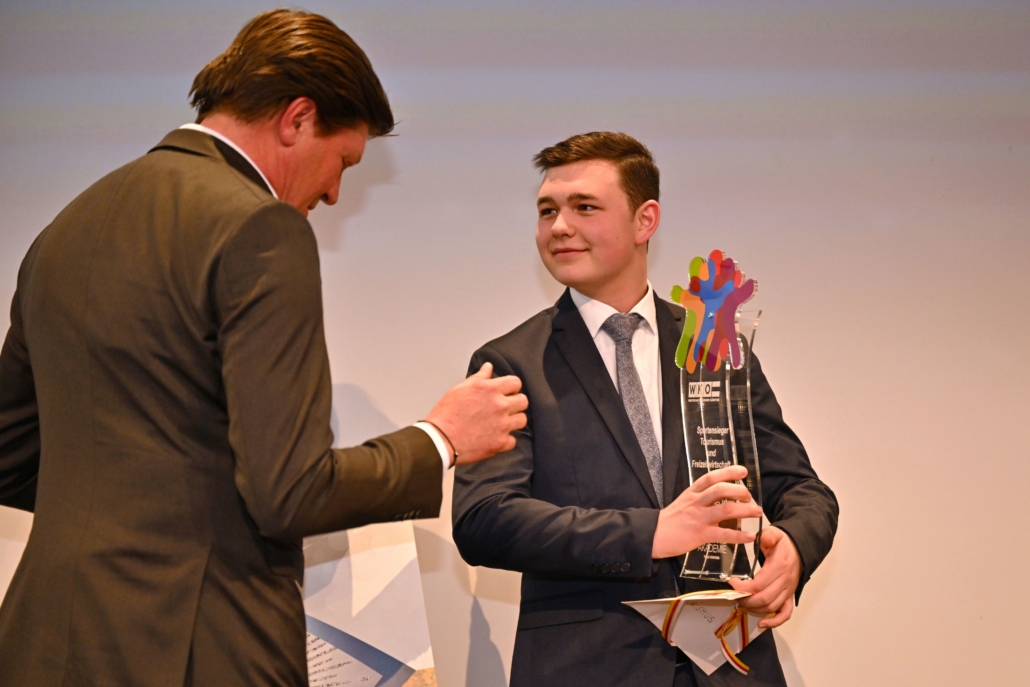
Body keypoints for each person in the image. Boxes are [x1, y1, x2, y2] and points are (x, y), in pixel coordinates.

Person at [0, 9, 527, 686]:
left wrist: (135, 518)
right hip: (199, 649)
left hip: (45, 645)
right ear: (297, 118)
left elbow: (8, 456)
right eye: (343, 161)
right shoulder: (261, 228)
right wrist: (441, 439)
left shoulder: (66, 229)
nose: (334, 192)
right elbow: (291, 493)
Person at [452, 132, 837, 687]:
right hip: (585, 670)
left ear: (645, 220)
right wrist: (652, 532)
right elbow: (484, 519)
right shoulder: (512, 361)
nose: (559, 226)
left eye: (584, 207)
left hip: (731, 667)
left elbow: (801, 488)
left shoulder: (713, 345)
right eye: (547, 211)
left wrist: (794, 548)